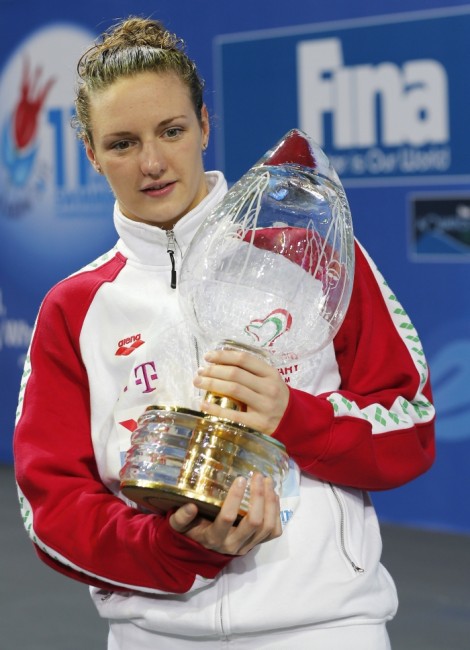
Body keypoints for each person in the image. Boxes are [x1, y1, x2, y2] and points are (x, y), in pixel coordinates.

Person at [13, 15, 435, 650]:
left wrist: (293, 414)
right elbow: (53, 506)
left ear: (204, 127)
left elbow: (411, 429)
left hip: (324, 628)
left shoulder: (307, 255)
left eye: (172, 131)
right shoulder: (74, 308)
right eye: (123, 143)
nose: (152, 162)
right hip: (157, 632)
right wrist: (170, 547)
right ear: (92, 153)